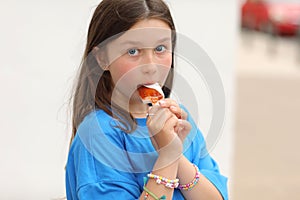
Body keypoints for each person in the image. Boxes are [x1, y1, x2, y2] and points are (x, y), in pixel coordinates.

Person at [65, 0, 228, 199]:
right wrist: (167, 156)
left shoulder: (178, 121)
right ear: (102, 59)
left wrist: (175, 152)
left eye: (160, 48)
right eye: (133, 51)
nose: (151, 66)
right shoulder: (99, 134)